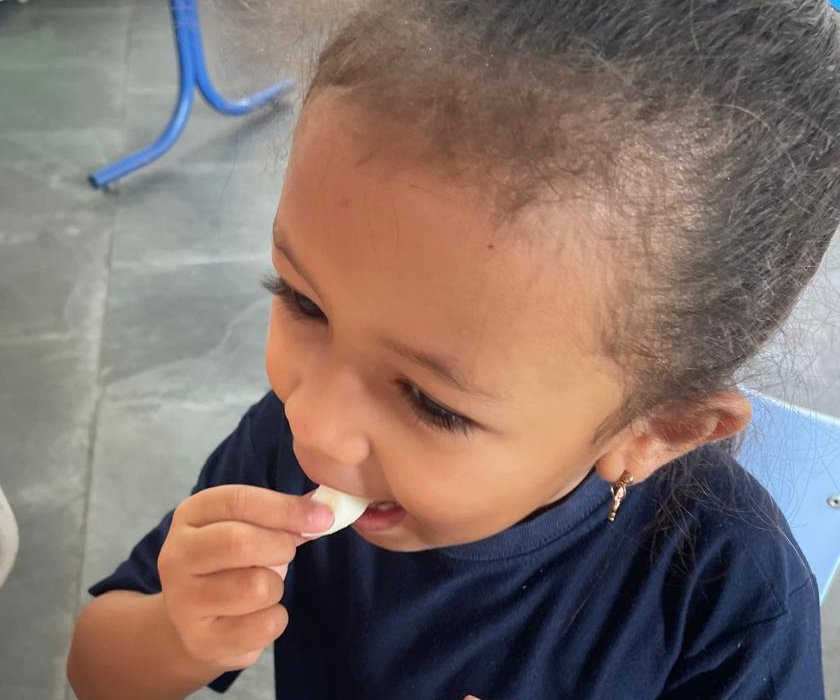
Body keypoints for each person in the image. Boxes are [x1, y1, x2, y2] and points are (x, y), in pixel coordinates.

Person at [67, 0, 840, 698]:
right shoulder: (282, 446)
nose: (315, 427)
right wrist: (176, 633)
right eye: (304, 301)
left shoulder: (730, 600)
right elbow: (96, 669)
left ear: (654, 431)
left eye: (432, 403)